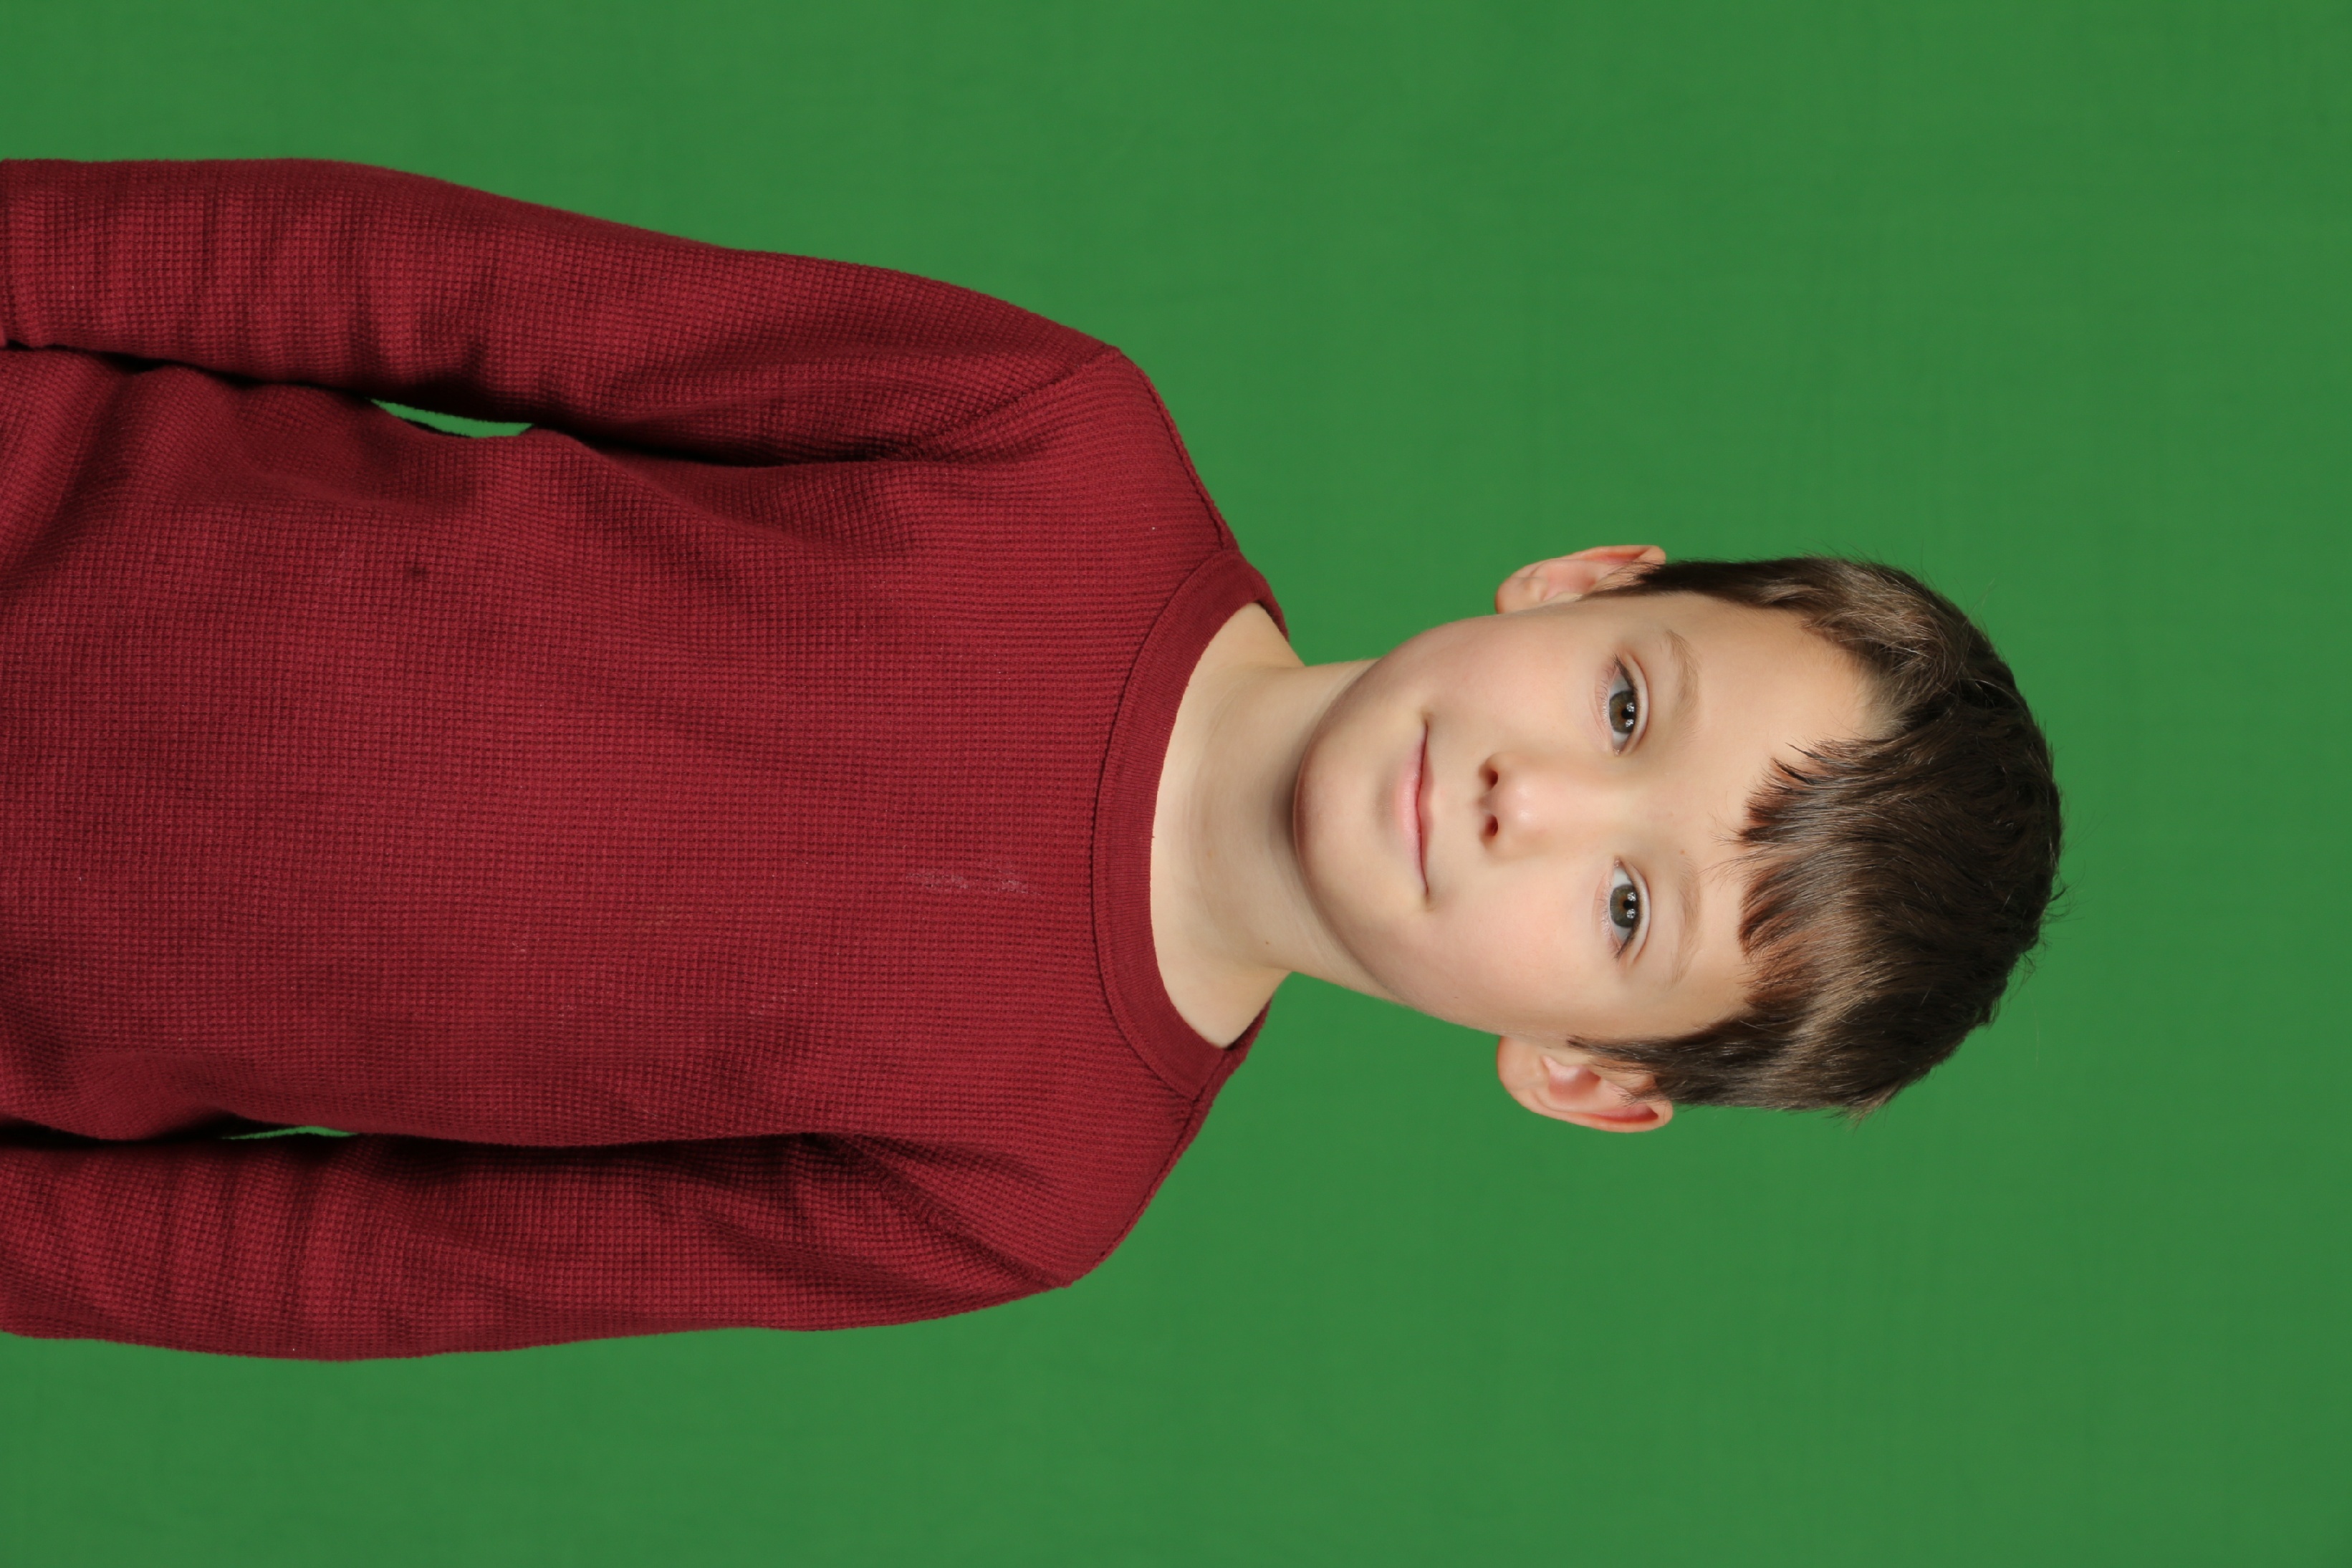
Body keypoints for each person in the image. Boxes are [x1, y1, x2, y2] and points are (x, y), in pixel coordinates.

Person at [0, 158, 2060, 1359]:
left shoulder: (1026, 1192)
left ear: (1586, 1075)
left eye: (1625, 907)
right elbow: (431, 290)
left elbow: (376, 1262)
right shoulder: (1055, 439)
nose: (1541, 801)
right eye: (1624, 709)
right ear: (1585, 581)